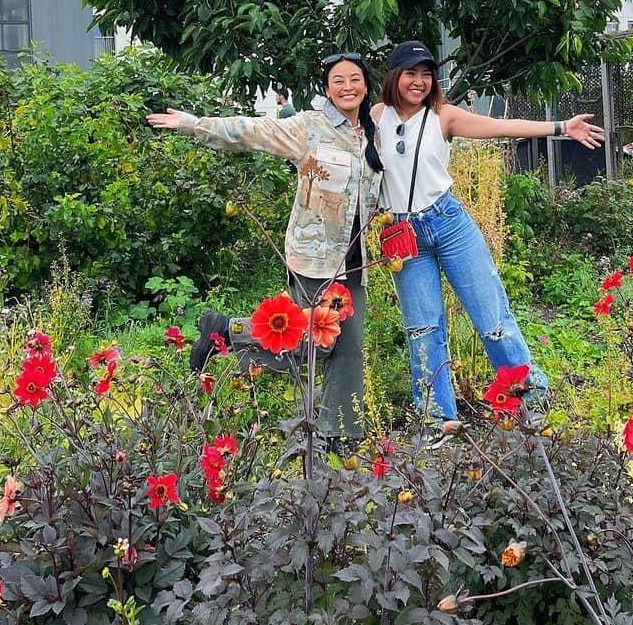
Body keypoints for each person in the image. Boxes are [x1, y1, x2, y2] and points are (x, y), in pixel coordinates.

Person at [147, 54, 383, 445]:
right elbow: (251, 130)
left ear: (365, 85)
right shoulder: (310, 127)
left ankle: (340, 433)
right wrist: (192, 125)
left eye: (354, 79)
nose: (347, 87)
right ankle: (230, 331)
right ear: (326, 88)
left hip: (356, 259)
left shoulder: (372, 133)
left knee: (349, 348)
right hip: (314, 257)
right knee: (314, 342)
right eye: (338, 80)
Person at [373, 39, 605, 424]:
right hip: (401, 233)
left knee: (492, 318)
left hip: (448, 223)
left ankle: (530, 402)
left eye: (426, 74)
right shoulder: (376, 114)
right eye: (410, 74)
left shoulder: (442, 116)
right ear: (395, 76)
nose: (419, 82)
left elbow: (501, 127)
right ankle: (437, 421)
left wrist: (562, 126)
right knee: (423, 331)